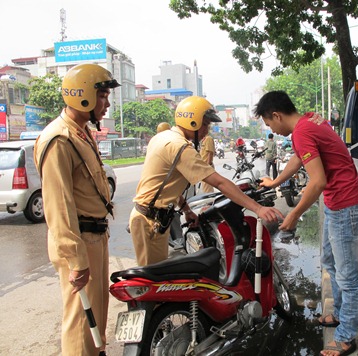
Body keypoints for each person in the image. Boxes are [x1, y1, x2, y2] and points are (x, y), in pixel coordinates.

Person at [254, 91, 358, 356]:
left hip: (345, 204)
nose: (272, 129)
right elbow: (299, 157)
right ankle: (339, 314)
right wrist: (276, 181)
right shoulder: (310, 122)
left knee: (348, 275)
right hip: (335, 203)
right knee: (330, 263)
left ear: (276, 115)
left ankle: (346, 337)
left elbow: (318, 181)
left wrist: (293, 215)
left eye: (270, 125)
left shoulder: (302, 131)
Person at [129, 96, 284, 266]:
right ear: (192, 121)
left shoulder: (164, 136)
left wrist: (187, 210)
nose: (207, 130)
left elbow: (167, 185)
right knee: (152, 283)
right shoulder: (179, 146)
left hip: (153, 219)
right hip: (149, 221)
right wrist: (258, 208)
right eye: (206, 124)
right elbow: (220, 183)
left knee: (156, 277)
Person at [34, 63, 119, 356]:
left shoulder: (79, 132)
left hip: (94, 235)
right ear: (83, 95)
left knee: (96, 319)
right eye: (103, 96)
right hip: (80, 239)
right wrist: (76, 257)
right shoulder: (59, 139)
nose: (107, 103)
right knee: (82, 322)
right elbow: (58, 206)